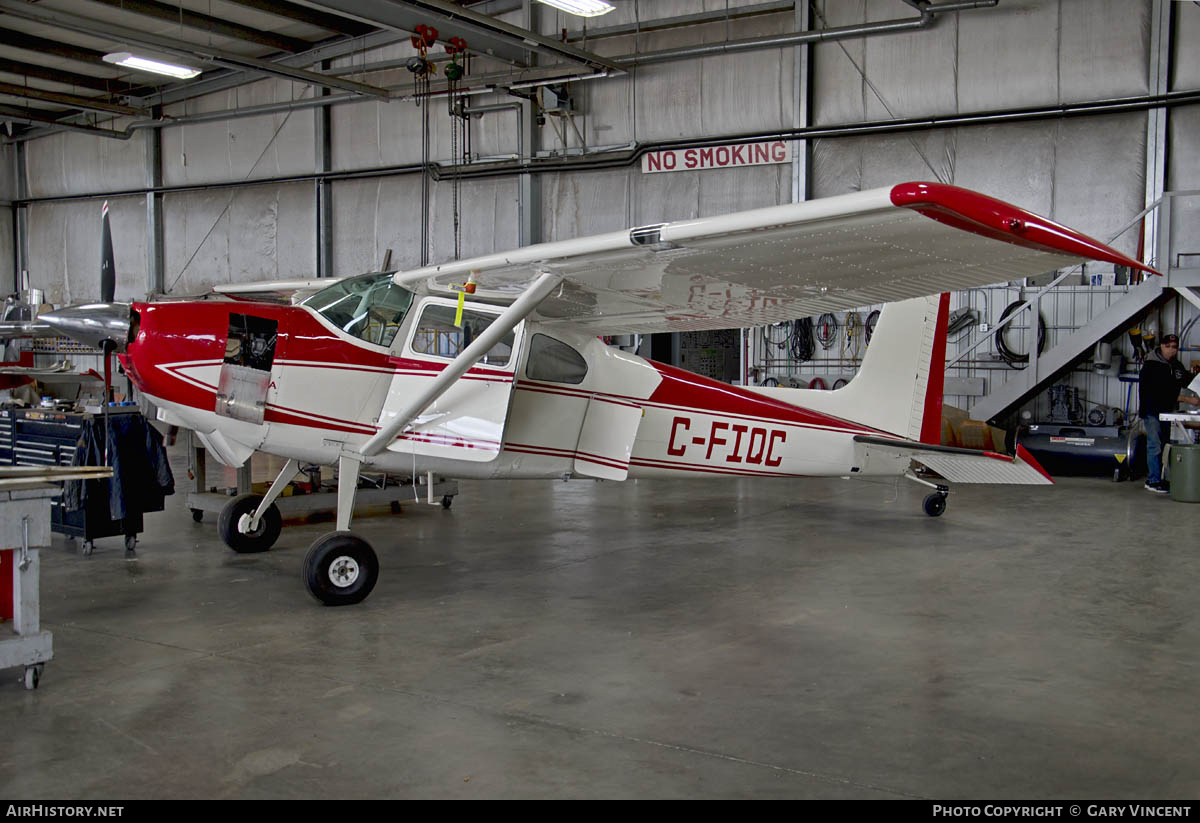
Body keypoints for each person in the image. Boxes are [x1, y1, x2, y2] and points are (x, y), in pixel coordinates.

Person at [1138, 333, 1200, 493]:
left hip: (1166, 411)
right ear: (1162, 346)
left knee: (1165, 443)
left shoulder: (1176, 365)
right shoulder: (1151, 365)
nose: (1172, 350)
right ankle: (1153, 480)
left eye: (1175, 347)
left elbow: (1189, 380)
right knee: (1155, 445)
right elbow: (1160, 393)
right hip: (1152, 411)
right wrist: (1187, 400)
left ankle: (1161, 478)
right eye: (1168, 347)